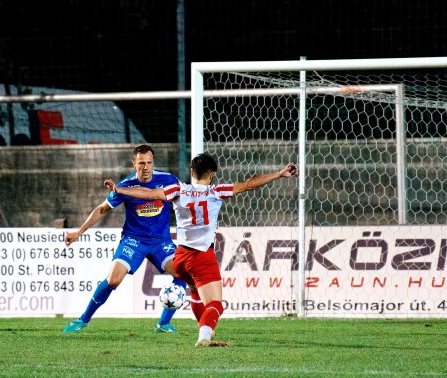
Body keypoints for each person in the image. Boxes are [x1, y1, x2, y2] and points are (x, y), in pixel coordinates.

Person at [106, 153, 297, 346]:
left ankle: (203, 329)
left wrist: (121, 190)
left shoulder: (178, 190)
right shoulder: (216, 191)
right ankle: (204, 337)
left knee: (196, 291)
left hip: (179, 257)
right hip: (201, 257)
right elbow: (249, 184)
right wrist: (280, 174)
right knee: (216, 304)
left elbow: (149, 194)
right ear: (212, 175)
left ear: (191, 172)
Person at [63, 144, 187, 334]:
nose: (145, 168)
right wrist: (78, 232)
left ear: (153, 162)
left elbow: (190, 198)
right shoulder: (125, 185)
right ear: (134, 163)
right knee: (113, 280)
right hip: (134, 240)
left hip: (161, 241)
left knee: (183, 274)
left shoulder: (169, 180)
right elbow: (102, 209)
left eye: (149, 163)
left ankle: (163, 324)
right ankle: (82, 320)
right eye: (141, 163)